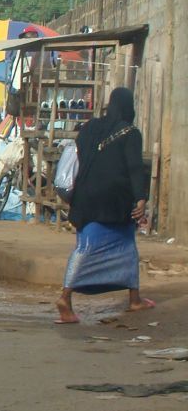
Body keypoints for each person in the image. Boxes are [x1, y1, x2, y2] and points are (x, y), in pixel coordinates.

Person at [55, 88, 154, 324]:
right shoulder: (130, 133)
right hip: (115, 201)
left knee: (96, 246)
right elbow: (134, 168)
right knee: (117, 247)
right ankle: (65, 297)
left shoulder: (89, 128)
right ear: (129, 107)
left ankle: (134, 297)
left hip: (85, 198)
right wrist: (141, 197)